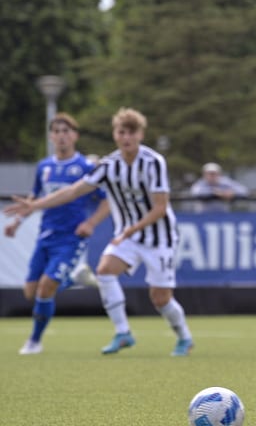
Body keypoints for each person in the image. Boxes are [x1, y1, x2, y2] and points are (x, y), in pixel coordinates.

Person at [5, 108, 194, 357]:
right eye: (121, 132)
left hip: (159, 238)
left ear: (141, 134)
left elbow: (160, 208)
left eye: (131, 132)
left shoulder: (153, 162)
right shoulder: (108, 165)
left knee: (160, 299)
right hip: (127, 235)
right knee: (104, 270)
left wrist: (129, 231)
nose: (126, 137)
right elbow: (72, 191)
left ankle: (184, 337)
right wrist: (34, 205)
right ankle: (123, 332)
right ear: (115, 134)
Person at [3, 113, 109, 355]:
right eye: (57, 131)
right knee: (31, 292)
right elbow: (34, 200)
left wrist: (91, 223)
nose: (61, 136)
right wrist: (17, 222)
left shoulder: (84, 167)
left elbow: (107, 202)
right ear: (51, 136)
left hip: (71, 238)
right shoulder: (44, 166)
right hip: (45, 237)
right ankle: (73, 280)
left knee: (45, 287)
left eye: (66, 131)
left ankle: (34, 342)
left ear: (75, 136)